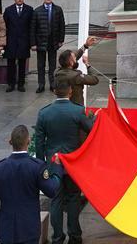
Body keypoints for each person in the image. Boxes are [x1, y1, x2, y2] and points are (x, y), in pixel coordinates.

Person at [34, 77, 94, 244]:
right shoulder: (77, 111)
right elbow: (91, 130)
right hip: (73, 163)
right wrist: (93, 118)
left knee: (56, 199)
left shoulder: (44, 113)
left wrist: (41, 165)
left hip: (53, 164)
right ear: (70, 91)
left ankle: (57, 237)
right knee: (74, 197)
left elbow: (39, 142)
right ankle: (75, 236)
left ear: (54, 92)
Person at [0, 125, 60, 244]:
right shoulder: (37, 167)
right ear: (28, 141)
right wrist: (57, 170)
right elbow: (51, 191)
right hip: (29, 229)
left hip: (6, 230)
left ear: (10, 142)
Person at [32, 0, 66, 94]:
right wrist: (33, 43)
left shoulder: (58, 10)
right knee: (40, 65)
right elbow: (33, 28)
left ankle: (52, 85)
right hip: (41, 42)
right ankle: (41, 85)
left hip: (53, 41)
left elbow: (62, 25)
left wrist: (61, 40)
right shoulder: (37, 11)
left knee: (52, 65)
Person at [52, 41, 100, 106]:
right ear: (71, 63)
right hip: (76, 107)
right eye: (74, 58)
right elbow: (95, 79)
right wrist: (87, 65)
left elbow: (74, 57)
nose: (76, 58)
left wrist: (85, 46)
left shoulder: (57, 71)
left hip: (61, 105)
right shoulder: (76, 76)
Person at [3, 0, 33, 92]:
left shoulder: (29, 10)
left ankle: (21, 84)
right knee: (10, 63)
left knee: (22, 63)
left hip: (24, 41)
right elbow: (5, 26)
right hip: (11, 41)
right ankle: (10, 84)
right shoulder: (8, 10)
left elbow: (31, 27)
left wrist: (31, 42)